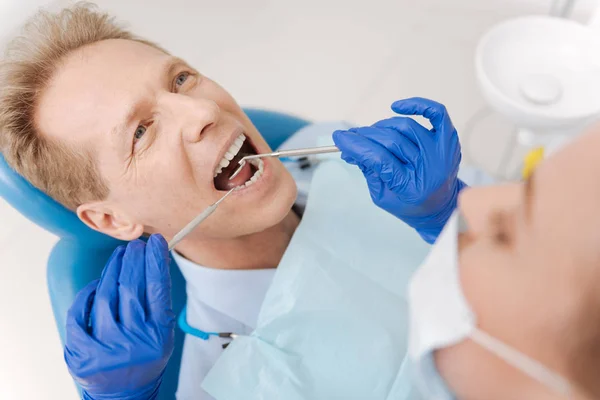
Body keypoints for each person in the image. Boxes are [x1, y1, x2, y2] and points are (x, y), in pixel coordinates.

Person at [0, 4, 463, 400]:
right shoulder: (222, 378)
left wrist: (454, 216)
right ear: (110, 218)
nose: (203, 111)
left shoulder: (341, 157)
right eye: (141, 131)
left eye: (180, 79)